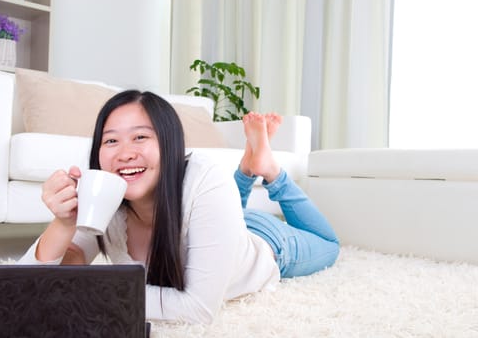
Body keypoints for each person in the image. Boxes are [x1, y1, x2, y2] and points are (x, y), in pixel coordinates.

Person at [19, 90, 339, 324]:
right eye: (111, 141)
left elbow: (198, 309)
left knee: (330, 245)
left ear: (169, 144)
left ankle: (269, 170)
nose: (125, 153)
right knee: (221, 211)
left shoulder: (205, 176)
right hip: (221, 222)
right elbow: (30, 285)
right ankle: (245, 169)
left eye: (140, 137)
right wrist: (63, 223)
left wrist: (97, 296)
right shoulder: (108, 195)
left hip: (269, 243)